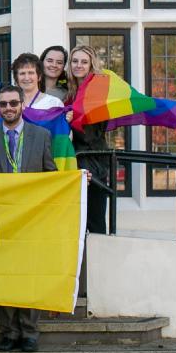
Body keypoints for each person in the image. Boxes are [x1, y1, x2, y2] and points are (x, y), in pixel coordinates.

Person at [0, 85, 57, 353]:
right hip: (2, 220)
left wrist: (77, 180)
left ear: (22, 104)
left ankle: (30, 332)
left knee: (29, 275)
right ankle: (9, 332)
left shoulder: (42, 135)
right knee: (6, 275)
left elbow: (51, 176)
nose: (8, 108)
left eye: (13, 103)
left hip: (32, 218)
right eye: (3, 104)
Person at [65, 45, 110, 234]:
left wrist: (73, 120)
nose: (78, 65)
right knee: (76, 220)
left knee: (94, 218)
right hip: (74, 159)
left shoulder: (98, 90)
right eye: (75, 61)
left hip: (93, 161)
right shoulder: (70, 92)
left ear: (91, 64)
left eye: (84, 62)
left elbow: (93, 134)